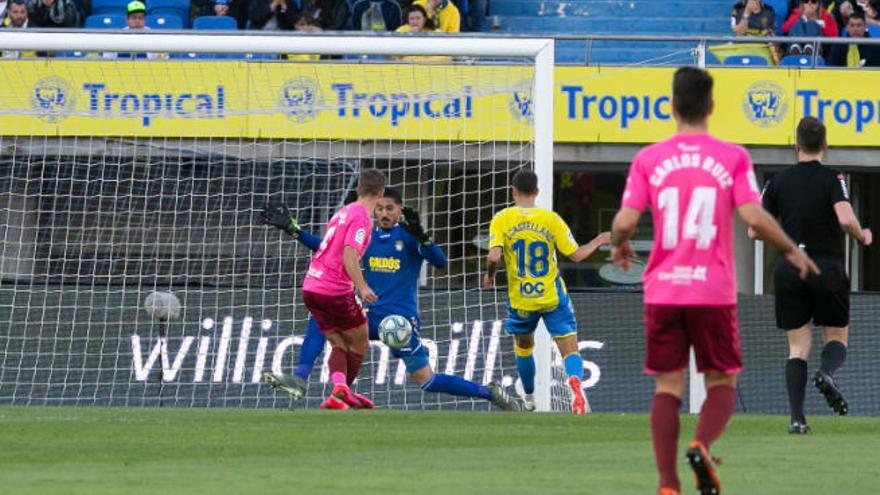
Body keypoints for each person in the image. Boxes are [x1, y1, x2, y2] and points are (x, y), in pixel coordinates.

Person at [610, 67, 818, 495]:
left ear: (671, 107)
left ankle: (668, 485)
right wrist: (792, 250)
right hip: (712, 291)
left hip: (664, 290)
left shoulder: (649, 159)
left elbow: (625, 221)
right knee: (721, 382)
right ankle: (701, 446)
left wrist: (618, 244)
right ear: (711, 107)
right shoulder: (732, 156)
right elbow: (754, 216)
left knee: (668, 387)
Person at [262, 188, 516, 410]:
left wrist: (423, 236)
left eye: (390, 209)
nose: (383, 213)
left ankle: (489, 392)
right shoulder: (366, 233)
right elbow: (328, 248)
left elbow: (440, 262)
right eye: (380, 208)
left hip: (398, 322)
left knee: (426, 380)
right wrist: (295, 231)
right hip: (369, 315)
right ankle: (305, 379)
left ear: (399, 210)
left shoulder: (409, 236)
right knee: (321, 320)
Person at [754, 116, 872, 434]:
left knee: (797, 347)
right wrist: (862, 236)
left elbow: (754, 229)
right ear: (825, 145)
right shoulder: (833, 178)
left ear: (796, 145)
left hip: (790, 269)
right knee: (836, 336)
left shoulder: (777, 181)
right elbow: (846, 219)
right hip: (827, 267)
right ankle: (827, 372)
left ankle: (796, 419)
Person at [483, 170, 611, 415]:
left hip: (521, 300)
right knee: (569, 348)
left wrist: (489, 275)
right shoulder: (550, 219)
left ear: (513, 191)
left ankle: (529, 398)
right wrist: (599, 240)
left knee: (523, 348)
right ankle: (575, 383)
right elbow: (576, 255)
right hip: (552, 297)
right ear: (537, 192)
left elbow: (494, 256)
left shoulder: (502, 218)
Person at [288, 169, 386, 411]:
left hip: (311, 287)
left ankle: (339, 389)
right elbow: (348, 254)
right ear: (381, 193)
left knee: (338, 343)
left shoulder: (342, 213)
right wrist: (362, 288)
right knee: (360, 341)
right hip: (334, 290)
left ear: (357, 189)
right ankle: (343, 392)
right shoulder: (362, 217)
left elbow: (327, 247)